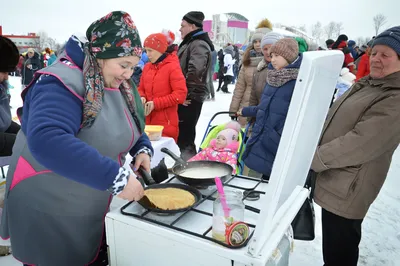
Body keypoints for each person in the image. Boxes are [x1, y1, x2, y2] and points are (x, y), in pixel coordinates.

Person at [0, 11, 153, 266]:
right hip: (48, 202)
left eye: (133, 66)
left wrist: (142, 147)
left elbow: (126, 121)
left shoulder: (116, 82)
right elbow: (48, 140)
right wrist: (114, 177)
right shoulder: (59, 82)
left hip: (85, 198)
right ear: (99, 54)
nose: (128, 74)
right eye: (123, 65)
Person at [311, 26, 400, 266]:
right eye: (374, 53)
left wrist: (314, 158)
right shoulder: (370, 84)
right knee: (334, 246)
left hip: (350, 185)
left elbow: (360, 142)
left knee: (340, 249)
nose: (376, 59)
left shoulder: (395, 96)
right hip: (336, 176)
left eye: (385, 55)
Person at [238, 38, 302, 180]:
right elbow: (265, 107)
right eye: (271, 56)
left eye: (277, 56)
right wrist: (246, 111)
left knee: (270, 180)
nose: (272, 59)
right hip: (261, 135)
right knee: (255, 180)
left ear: (289, 57)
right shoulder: (273, 76)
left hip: (276, 141)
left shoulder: (298, 82)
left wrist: (276, 134)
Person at [177, 11, 214, 160]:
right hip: (187, 95)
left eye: (183, 26)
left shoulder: (198, 43)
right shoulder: (191, 42)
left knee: (185, 137)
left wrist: (183, 94)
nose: (180, 29)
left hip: (190, 97)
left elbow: (196, 72)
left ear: (192, 26)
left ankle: (189, 168)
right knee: (183, 135)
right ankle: (185, 166)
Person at [138, 33, 187, 142]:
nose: (147, 54)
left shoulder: (172, 67)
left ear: (160, 50)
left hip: (166, 124)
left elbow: (180, 94)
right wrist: (141, 96)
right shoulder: (147, 67)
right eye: (146, 51)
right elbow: (141, 88)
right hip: (147, 124)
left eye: (150, 51)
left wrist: (156, 104)